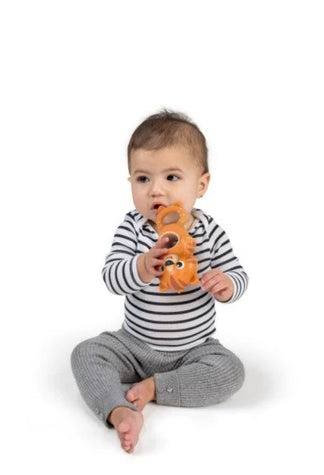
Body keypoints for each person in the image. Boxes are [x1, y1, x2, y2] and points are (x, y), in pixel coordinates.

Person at [71, 110, 249, 453]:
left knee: (231, 371)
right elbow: (111, 277)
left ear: (201, 184)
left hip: (195, 349)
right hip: (133, 345)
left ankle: (155, 387)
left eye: (171, 177)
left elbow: (238, 274)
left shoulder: (209, 232)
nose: (156, 190)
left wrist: (226, 285)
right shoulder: (133, 227)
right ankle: (119, 408)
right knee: (85, 353)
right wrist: (140, 266)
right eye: (142, 179)